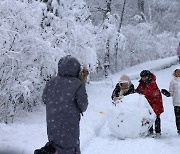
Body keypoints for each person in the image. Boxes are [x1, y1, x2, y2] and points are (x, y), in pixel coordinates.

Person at [35, 55, 88, 154]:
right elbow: (83, 106)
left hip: (53, 123)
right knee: (70, 148)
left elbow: (44, 99)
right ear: (76, 68)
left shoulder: (51, 82)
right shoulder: (78, 84)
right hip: (70, 124)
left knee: (56, 147)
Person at [135, 70, 164, 137]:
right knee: (148, 117)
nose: (143, 78)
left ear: (148, 76)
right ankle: (150, 131)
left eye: (145, 77)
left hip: (156, 102)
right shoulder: (142, 83)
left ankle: (158, 132)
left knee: (156, 117)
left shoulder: (152, 82)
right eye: (142, 77)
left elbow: (149, 91)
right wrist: (136, 91)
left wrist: (141, 92)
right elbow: (139, 89)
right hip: (148, 103)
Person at [161, 68, 180, 135]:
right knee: (178, 118)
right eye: (177, 72)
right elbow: (171, 93)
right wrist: (167, 93)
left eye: (179, 72)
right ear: (175, 73)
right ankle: (179, 130)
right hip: (177, 103)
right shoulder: (172, 82)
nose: (178, 73)